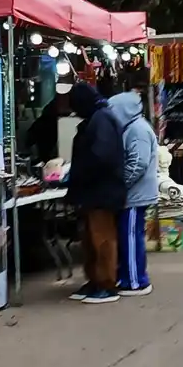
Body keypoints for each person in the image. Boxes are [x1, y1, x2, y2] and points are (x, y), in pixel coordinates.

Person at [65, 83, 128, 303]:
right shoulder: (97, 119)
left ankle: (106, 284)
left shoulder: (101, 120)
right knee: (91, 239)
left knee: (102, 239)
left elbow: (102, 157)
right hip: (94, 191)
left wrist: (82, 174)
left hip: (102, 191)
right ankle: (95, 280)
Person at [108, 88, 158, 297]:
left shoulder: (137, 130)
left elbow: (138, 163)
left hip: (135, 195)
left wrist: (121, 184)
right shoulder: (132, 128)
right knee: (129, 236)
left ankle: (136, 282)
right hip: (134, 194)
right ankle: (128, 276)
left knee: (130, 237)